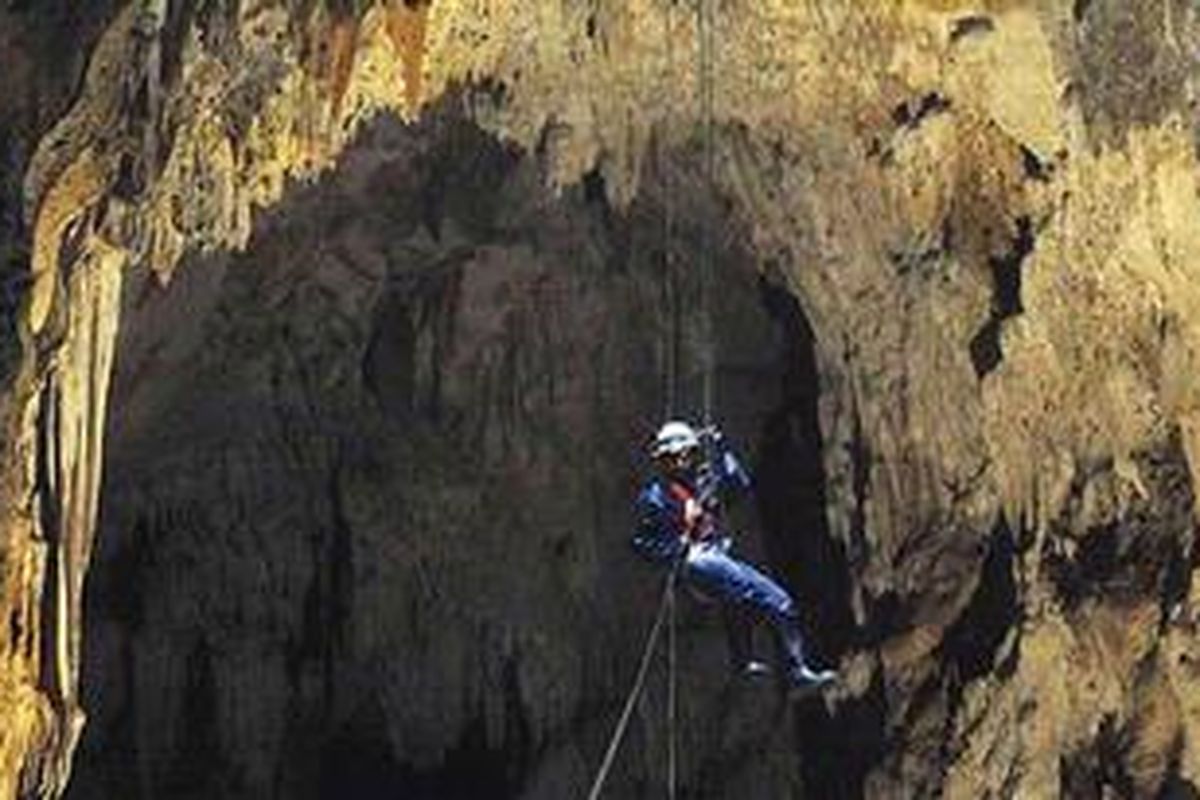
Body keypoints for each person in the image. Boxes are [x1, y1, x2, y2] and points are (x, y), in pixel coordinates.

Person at [631, 420, 836, 692]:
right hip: (697, 560)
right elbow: (641, 542)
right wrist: (675, 550)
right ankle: (795, 672)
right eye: (673, 457)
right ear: (665, 461)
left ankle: (744, 662)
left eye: (685, 454)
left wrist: (720, 445)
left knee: (739, 601)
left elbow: (738, 484)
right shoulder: (655, 497)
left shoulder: (702, 486)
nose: (681, 461)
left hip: (710, 557)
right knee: (778, 601)